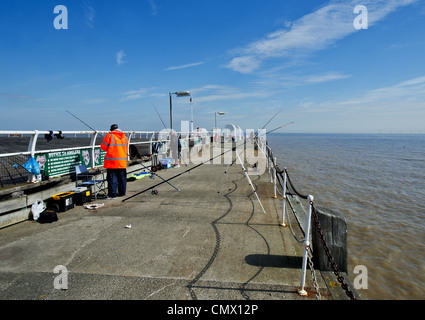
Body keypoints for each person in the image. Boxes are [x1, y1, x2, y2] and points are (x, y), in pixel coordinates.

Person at [100, 124, 129, 199]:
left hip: (112, 162)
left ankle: (112, 194)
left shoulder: (110, 135)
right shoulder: (125, 137)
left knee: (112, 179)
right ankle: (122, 192)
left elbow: (103, 147)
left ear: (111, 129)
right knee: (122, 178)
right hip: (122, 162)